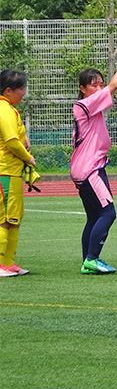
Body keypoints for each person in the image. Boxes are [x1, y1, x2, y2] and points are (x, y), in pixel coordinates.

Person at [70, 47, 117, 275]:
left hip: (86, 168)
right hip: (90, 169)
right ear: (82, 89)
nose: (98, 88)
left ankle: (88, 259)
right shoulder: (85, 105)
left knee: (94, 215)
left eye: (99, 83)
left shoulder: (87, 107)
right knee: (108, 213)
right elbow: (113, 88)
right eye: (93, 84)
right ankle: (92, 259)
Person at [0, 70, 36, 277]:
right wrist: (27, 157)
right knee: (4, 219)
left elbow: (16, 136)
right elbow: (11, 140)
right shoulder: (4, 109)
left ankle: (8, 262)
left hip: (11, 173)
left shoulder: (9, 108)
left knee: (14, 218)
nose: (23, 92)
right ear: (8, 90)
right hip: (4, 171)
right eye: (20, 89)